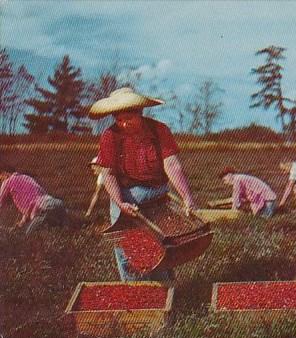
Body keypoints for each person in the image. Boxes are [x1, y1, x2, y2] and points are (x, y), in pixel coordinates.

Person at [89, 87, 197, 281]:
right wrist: (120, 202)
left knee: (161, 245)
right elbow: (108, 173)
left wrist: (187, 197)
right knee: (130, 251)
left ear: (140, 112)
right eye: (118, 119)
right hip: (126, 196)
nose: (123, 124)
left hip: (157, 196)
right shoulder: (110, 136)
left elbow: (171, 164)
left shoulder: (159, 130)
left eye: (128, 118)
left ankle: (165, 293)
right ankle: (138, 299)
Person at [0, 164, 67, 235]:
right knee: (60, 234)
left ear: (5, 173)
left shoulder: (7, 181)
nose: (1, 181)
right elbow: (31, 204)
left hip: (44, 209)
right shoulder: (26, 177)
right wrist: (20, 224)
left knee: (29, 237)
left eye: (0, 178)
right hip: (58, 204)